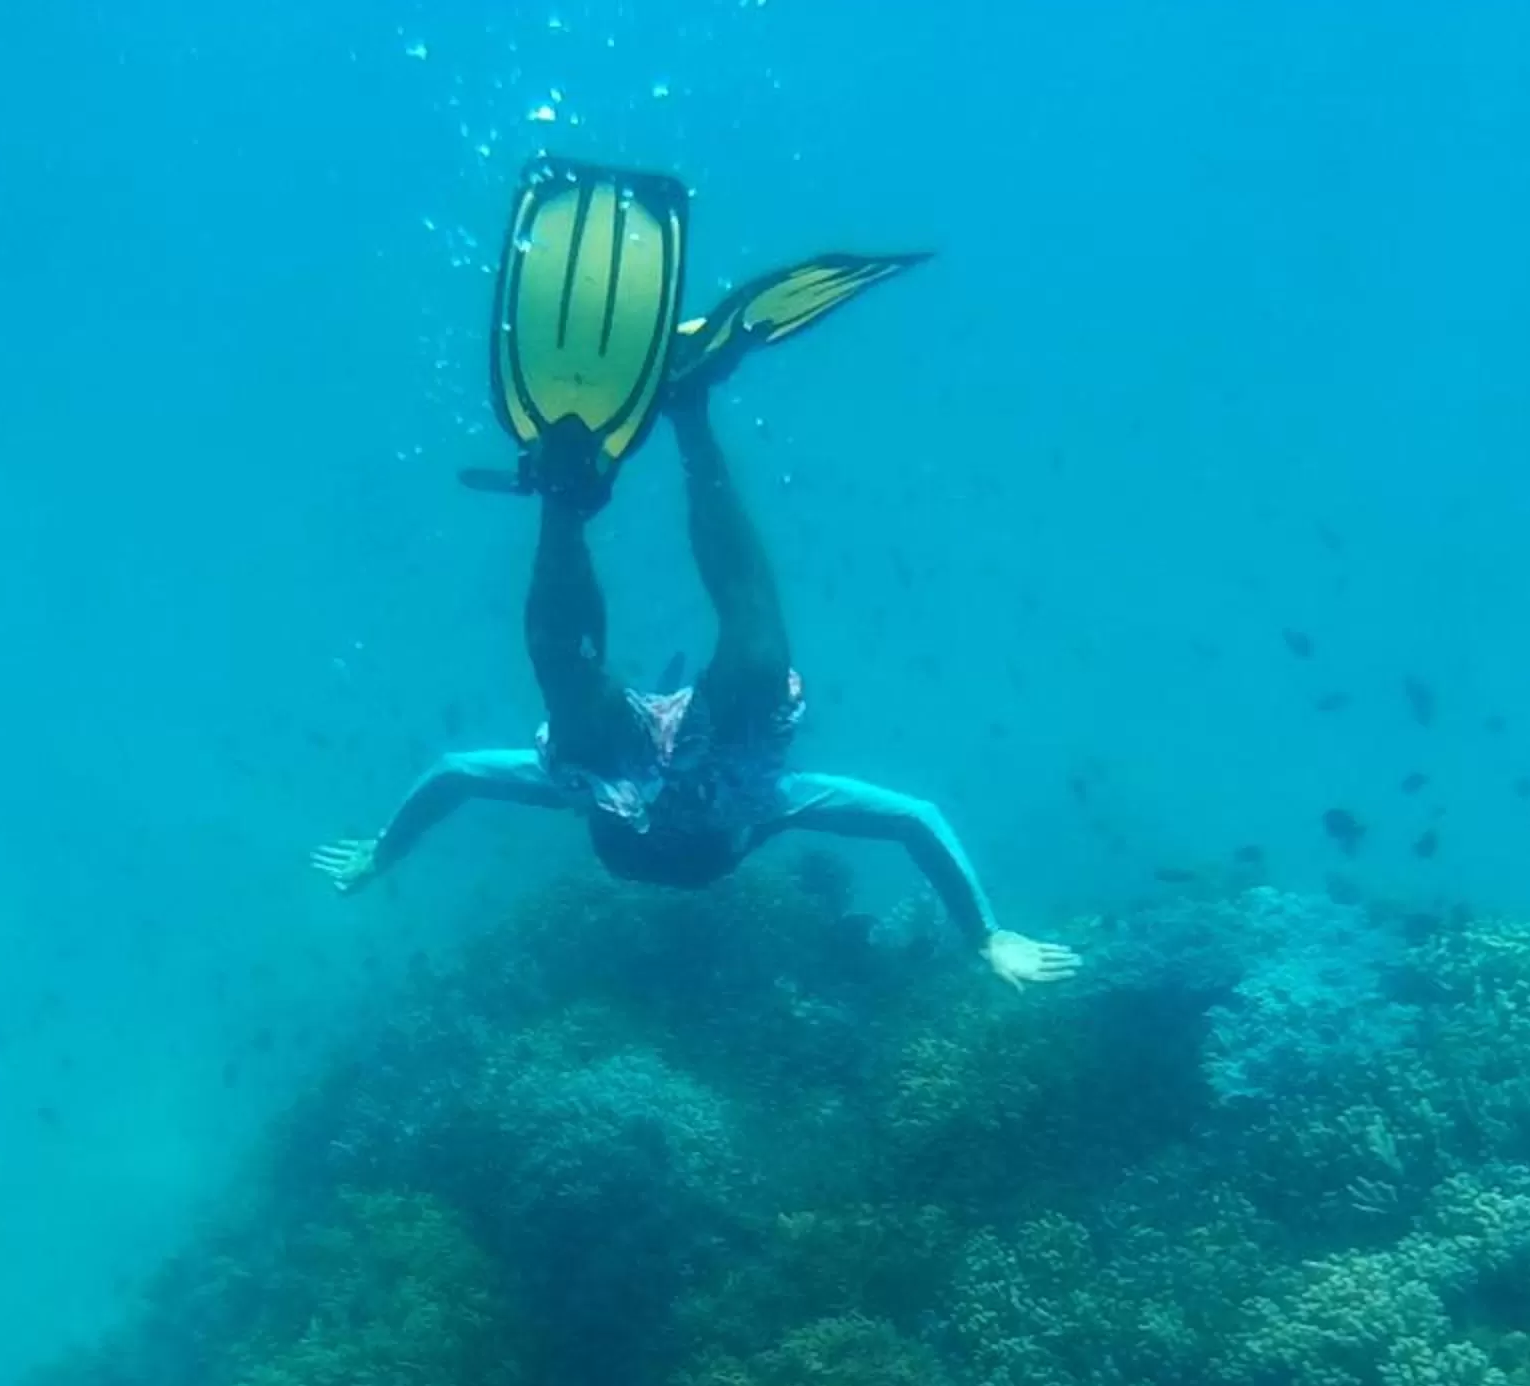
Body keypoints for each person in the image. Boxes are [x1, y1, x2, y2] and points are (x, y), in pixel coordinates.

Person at [312, 160, 1081, 991]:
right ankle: (683, 415)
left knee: (595, 688)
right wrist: (985, 935)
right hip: (706, 767)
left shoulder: (625, 797)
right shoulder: (767, 805)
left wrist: (386, 850)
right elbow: (914, 819)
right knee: (745, 663)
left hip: (611, 766)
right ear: (736, 839)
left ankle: (568, 490)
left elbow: (458, 773)